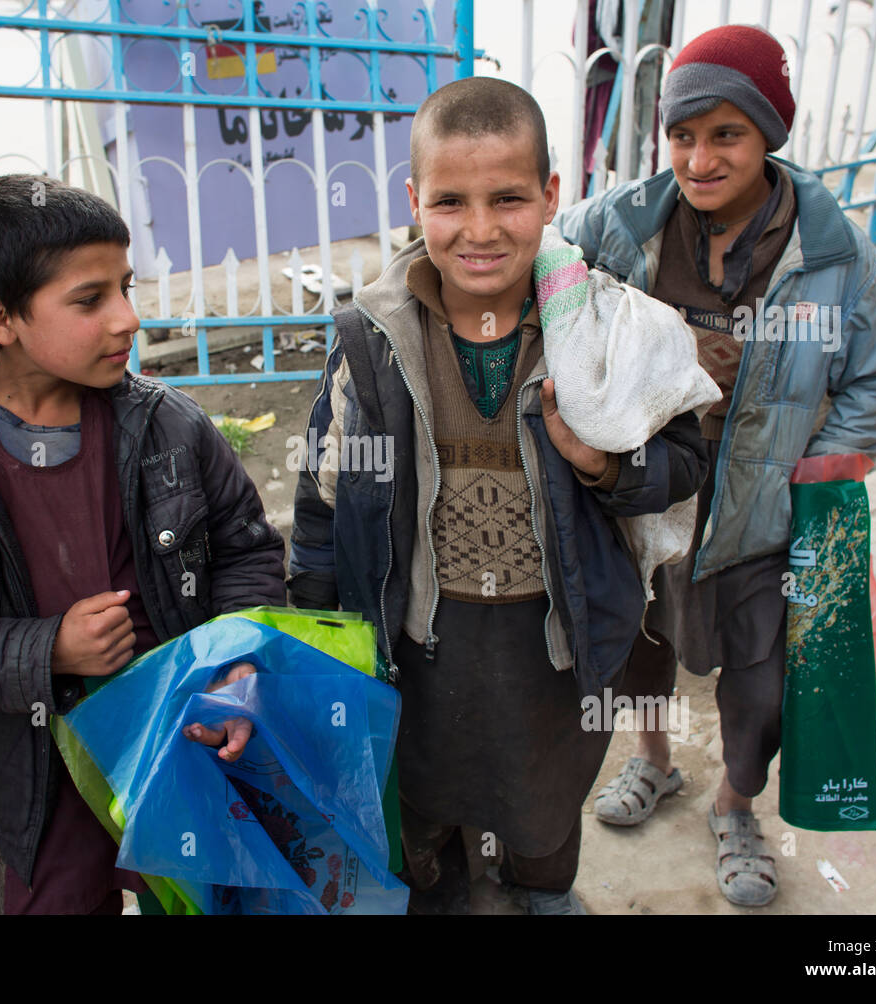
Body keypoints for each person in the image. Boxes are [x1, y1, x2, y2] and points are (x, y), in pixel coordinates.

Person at [287, 77, 709, 915]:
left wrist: (602, 465)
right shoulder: (371, 344)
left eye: (509, 199)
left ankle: (541, 892)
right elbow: (324, 503)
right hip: (418, 642)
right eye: (450, 202)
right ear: (415, 201)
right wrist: (317, 640)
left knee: (545, 801)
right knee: (421, 793)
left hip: (555, 641)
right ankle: (442, 892)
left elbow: (685, 464)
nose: (480, 231)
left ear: (552, 197)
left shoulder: (609, 331)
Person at [556, 25, 876, 907]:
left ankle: (735, 802)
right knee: (639, 651)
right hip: (646, 501)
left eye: (728, 135)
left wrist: (823, 469)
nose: (700, 158)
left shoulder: (832, 255)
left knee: (760, 676)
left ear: (770, 137)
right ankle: (653, 763)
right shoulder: (623, 221)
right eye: (683, 134)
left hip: (767, 509)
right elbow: (550, 276)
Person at [0, 175, 285, 914]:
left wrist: (230, 671)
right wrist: (46, 649)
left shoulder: (168, 426)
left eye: (125, 286)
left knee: (203, 898)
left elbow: (246, 551)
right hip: (44, 767)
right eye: (90, 300)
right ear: (0, 318)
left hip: (184, 738)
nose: (127, 318)